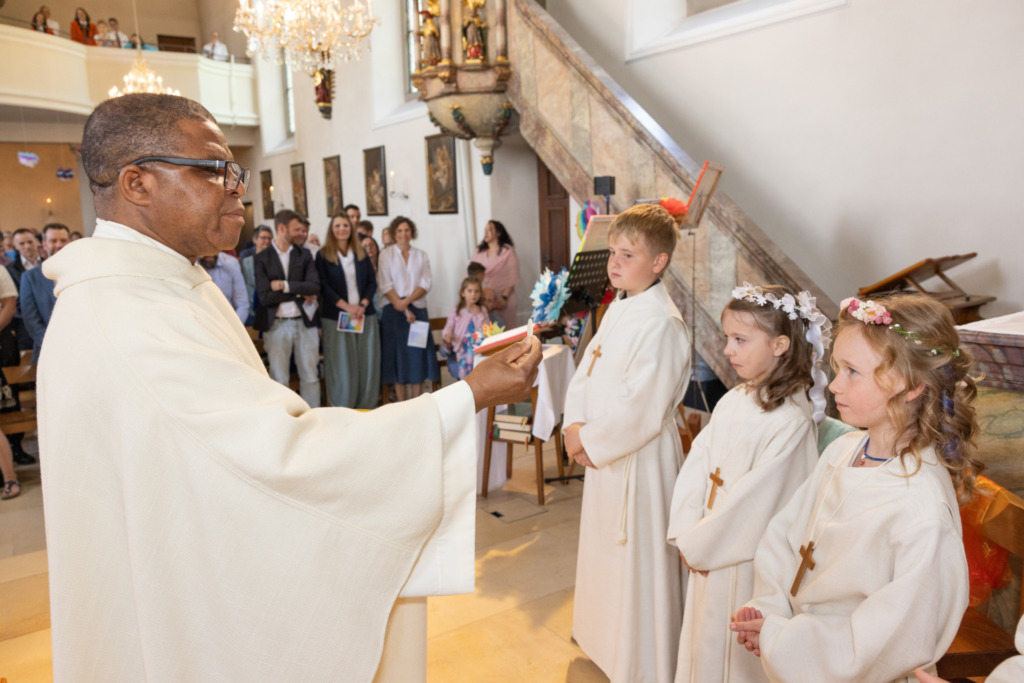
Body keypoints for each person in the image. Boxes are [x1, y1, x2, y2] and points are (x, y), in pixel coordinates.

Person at [38, 92, 542, 680]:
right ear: (136, 183)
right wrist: (468, 395)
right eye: (215, 171)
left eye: (236, 171)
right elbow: (281, 456)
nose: (239, 190)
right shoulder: (126, 315)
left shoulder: (168, 283)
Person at [731, 293, 981, 682]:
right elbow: (785, 539)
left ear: (912, 386)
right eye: (836, 368)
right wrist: (769, 609)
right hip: (801, 655)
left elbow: (885, 641)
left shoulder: (921, 508)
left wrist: (783, 638)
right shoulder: (845, 450)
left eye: (852, 372)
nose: (833, 386)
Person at [667, 282, 828, 683]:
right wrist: (688, 534)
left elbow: (757, 503)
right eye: (727, 338)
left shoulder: (790, 421)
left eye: (740, 339)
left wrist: (700, 545)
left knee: (733, 661)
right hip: (707, 548)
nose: (727, 350)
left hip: (743, 561)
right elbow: (698, 468)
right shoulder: (735, 398)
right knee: (704, 649)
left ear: (779, 345)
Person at [562, 204, 691, 683]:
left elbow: (643, 408)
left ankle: (640, 660)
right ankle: (605, 645)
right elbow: (587, 369)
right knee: (605, 558)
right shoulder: (621, 304)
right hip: (604, 457)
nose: (614, 263)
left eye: (628, 254)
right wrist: (575, 425)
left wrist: (588, 442)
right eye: (613, 252)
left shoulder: (661, 322)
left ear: (658, 262)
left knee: (635, 561)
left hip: (638, 461)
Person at [253, 209, 321, 407]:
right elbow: (265, 297)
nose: (301, 233)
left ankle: (314, 418)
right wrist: (299, 291)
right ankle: (285, 423)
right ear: (282, 229)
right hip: (276, 325)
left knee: (310, 376)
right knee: (279, 380)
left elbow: (315, 287)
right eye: (296, 230)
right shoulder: (262, 258)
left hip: (304, 323)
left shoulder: (305, 254)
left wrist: (284, 285)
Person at [316, 213, 380, 409]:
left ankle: (366, 407)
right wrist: (347, 307)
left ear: (351, 229)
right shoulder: (323, 254)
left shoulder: (360, 253)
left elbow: (371, 281)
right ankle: (343, 408)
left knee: (367, 363)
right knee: (342, 365)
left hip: (363, 315)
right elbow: (324, 286)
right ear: (331, 229)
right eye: (338, 225)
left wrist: (362, 304)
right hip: (337, 317)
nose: (342, 229)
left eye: (345, 225)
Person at [378, 216, 438, 401]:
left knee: (416, 353)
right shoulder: (386, 254)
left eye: (407, 230)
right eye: (399, 231)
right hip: (393, 311)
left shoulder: (422, 255)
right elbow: (385, 282)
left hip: (417, 310)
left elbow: (426, 282)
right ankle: (401, 402)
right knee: (398, 355)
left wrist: (407, 301)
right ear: (394, 233)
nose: (403, 234)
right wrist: (401, 305)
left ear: (412, 232)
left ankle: (416, 400)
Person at [20, 223, 70, 362]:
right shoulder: (30, 277)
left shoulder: (82, 272)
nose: (59, 245)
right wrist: (53, 345)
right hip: (47, 352)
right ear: (44, 244)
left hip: (81, 348)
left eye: (63, 240)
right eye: (53, 241)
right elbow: (31, 319)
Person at [470, 220, 520, 326]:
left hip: (503, 298)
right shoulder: (479, 251)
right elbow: (471, 273)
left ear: (498, 233)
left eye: (490, 229)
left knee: (505, 331)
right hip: (484, 299)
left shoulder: (507, 251)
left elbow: (513, 276)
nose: (486, 233)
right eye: (485, 230)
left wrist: (504, 298)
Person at [442, 277, 489, 380]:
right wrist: (448, 335)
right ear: (463, 293)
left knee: (480, 373)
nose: (473, 294)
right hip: (462, 348)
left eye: (476, 291)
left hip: (478, 348)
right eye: (470, 291)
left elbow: (487, 329)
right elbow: (448, 327)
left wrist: (479, 314)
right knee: (465, 376)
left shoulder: (482, 310)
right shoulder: (457, 310)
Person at [198, 251, 249, 323]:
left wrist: (234, 326)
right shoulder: (189, 270)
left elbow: (242, 304)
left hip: (227, 323)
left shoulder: (231, 268)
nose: (209, 254)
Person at [241, 225, 272, 324]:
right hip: (251, 309)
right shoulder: (246, 262)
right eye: (263, 238)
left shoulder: (276, 261)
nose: (267, 241)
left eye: (269, 238)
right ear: (255, 240)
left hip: (270, 308)